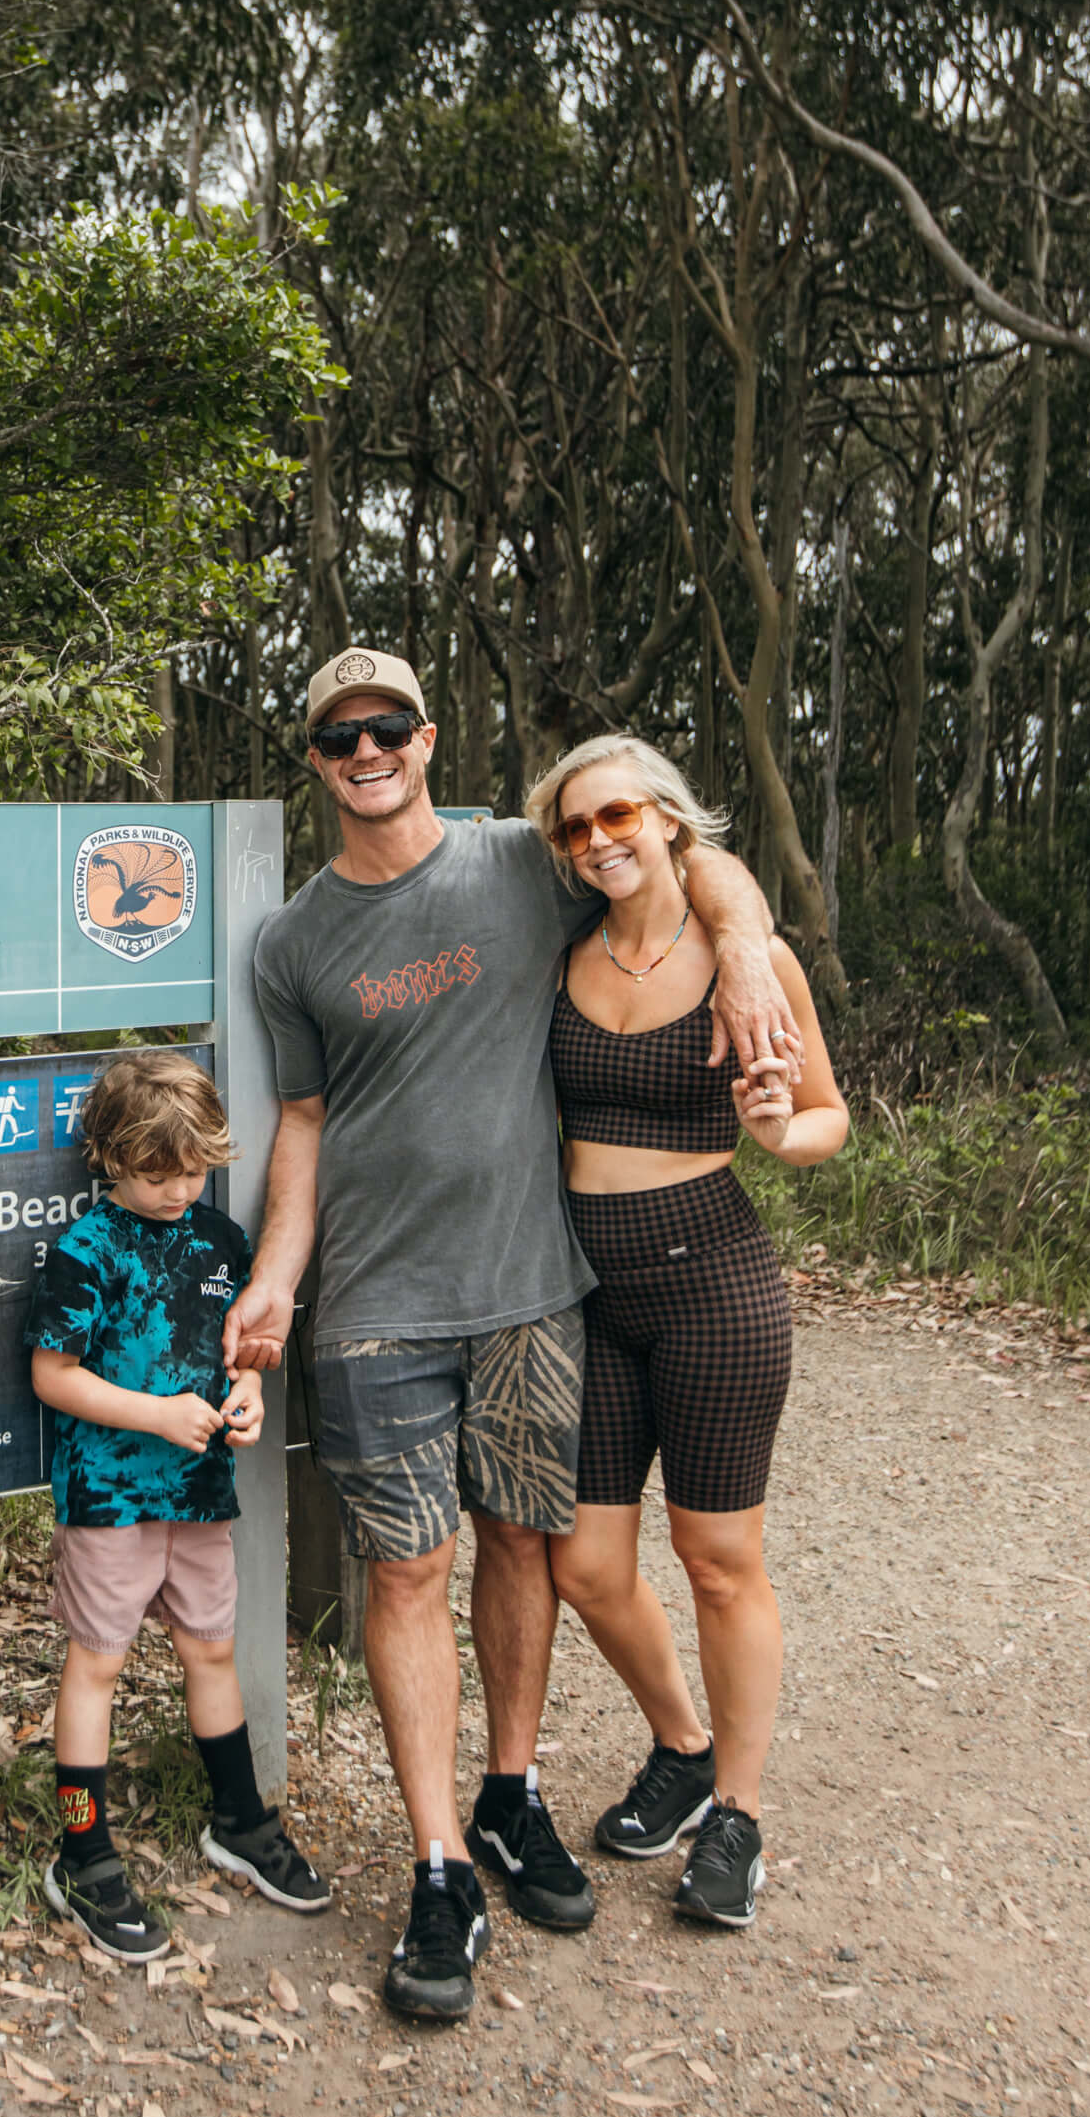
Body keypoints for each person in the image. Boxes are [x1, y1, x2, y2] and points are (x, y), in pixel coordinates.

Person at [225, 648, 799, 2023]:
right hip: (374, 1306)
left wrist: (742, 949)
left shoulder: (519, 864)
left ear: (426, 738)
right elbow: (300, 1123)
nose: (366, 751)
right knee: (404, 1570)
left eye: (386, 726)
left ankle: (509, 1792)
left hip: (534, 1291)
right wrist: (278, 1278)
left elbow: (679, 859)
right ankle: (438, 1868)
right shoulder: (292, 942)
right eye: (337, 737)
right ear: (315, 763)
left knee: (525, 1547)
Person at [534, 737, 847, 1927]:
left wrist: (775, 1132)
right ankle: (680, 1744)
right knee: (584, 1567)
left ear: (667, 819)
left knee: (718, 1562)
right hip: (588, 1294)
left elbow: (825, 1117)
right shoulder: (560, 953)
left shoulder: (747, 962)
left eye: (616, 815)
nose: (595, 841)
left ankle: (736, 1816)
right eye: (573, 827)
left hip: (711, 1285)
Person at [27, 1050, 331, 1959]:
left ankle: (240, 1820)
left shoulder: (221, 1243)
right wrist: (155, 1414)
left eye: (194, 1171)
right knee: (98, 1663)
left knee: (209, 1648)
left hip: (200, 1494)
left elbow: (245, 1350)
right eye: (157, 1173)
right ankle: (83, 1853)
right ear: (110, 1157)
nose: (178, 1190)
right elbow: (52, 1375)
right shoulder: (86, 1252)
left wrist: (249, 1393)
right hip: (109, 1496)